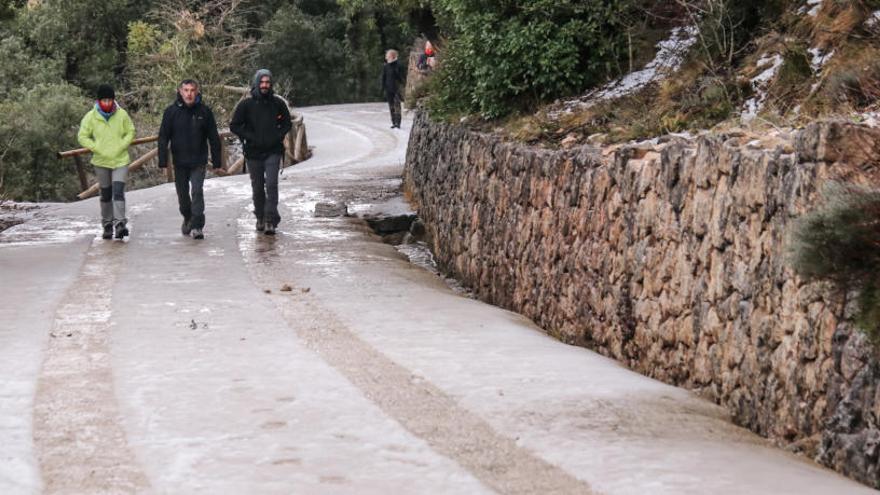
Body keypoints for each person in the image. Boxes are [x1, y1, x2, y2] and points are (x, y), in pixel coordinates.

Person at [157, 79, 223, 240]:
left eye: (192, 90)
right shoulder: (170, 112)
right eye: (186, 90)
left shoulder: (205, 112)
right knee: (183, 198)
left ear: (197, 91)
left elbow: (213, 137)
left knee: (197, 191)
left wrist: (217, 161)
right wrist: (163, 161)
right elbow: (163, 137)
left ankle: (197, 226)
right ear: (180, 91)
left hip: (199, 160)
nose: (189, 94)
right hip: (179, 162)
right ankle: (188, 217)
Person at [230, 69, 292, 235]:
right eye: (262, 82)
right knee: (257, 187)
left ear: (271, 84)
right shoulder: (246, 105)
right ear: (256, 83)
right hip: (253, 152)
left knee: (271, 185)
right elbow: (234, 125)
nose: (265, 85)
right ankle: (260, 217)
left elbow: (287, 123)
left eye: (267, 82)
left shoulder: (278, 104)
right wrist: (249, 137)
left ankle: (270, 220)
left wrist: (278, 135)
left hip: (273, 150)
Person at [77, 84, 135, 240]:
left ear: (113, 100)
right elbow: (82, 136)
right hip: (101, 161)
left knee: (118, 192)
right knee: (106, 194)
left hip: (120, 160)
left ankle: (120, 224)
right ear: (99, 101)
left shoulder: (122, 114)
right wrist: (96, 147)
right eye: (104, 100)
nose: (107, 103)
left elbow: (130, 131)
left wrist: (122, 145)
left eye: (110, 100)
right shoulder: (90, 117)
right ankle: (107, 225)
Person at [381, 49, 404, 129]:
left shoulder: (398, 65)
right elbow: (383, 78)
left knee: (397, 105)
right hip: (388, 88)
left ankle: (398, 122)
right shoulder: (386, 66)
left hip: (397, 88)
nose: (386, 57)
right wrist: (382, 88)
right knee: (391, 106)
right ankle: (393, 121)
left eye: (387, 55)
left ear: (391, 56)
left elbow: (401, 77)